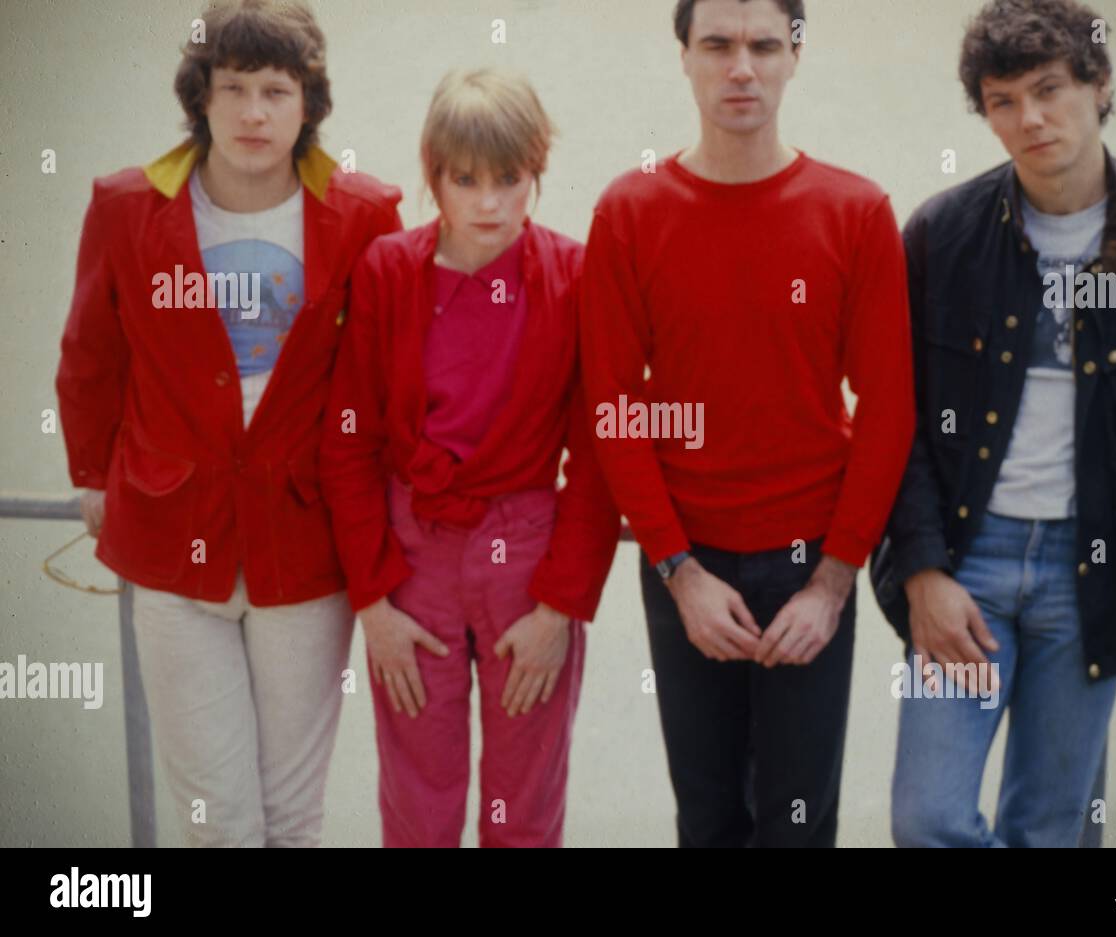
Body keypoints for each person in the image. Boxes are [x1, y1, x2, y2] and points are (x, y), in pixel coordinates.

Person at [871, 0, 1116, 847]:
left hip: (1096, 571)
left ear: (1099, 83)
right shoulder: (940, 234)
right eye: (1003, 100)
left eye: (1049, 89)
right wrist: (924, 571)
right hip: (968, 565)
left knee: (1047, 830)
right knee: (925, 818)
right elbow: (896, 423)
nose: (1029, 118)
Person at [55, 0, 402, 846]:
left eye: (276, 91)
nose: (253, 113)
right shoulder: (126, 207)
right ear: (199, 97)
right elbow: (90, 357)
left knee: (291, 817)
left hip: (305, 545)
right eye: (234, 87)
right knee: (215, 819)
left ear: (308, 105)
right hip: (175, 542)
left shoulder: (365, 214)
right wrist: (93, 476)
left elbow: (389, 383)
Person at [579, 0, 914, 847]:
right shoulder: (630, 209)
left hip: (812, 566)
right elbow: (613, 408)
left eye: (766, 45)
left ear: (794, 57)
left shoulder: (856, 210)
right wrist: (678, 571)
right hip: (686, 564)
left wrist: (833, 583)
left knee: (799, 824)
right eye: (718, 45)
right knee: (711, 821)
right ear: (684, 57)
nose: (742, 67)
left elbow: (889, 410)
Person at [320, 68, 621, 848]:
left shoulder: (574, 276)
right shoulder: (389, 271)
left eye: (509, 178)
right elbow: (349, 440)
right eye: (465, 180)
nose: (488, 203)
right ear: (435, 177)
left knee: (524, 805)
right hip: (410, 554)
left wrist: (561, 606)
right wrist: (373, 602)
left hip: (527, 556)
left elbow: (598, 456)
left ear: (536, 172)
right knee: (418, 807)